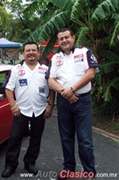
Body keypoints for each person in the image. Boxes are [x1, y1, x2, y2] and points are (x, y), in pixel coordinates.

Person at [48, 28, 99, 180]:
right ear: (58, 42)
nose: (64, 41)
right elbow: (51, 80)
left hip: (82, 101)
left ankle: (89, 171)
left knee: (85, 139)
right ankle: (68, 169)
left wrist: (71, 90)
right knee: (66, 137)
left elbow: (90, 74)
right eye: (61, 39)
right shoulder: (55, 58)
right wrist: (66, 93)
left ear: (73, 38)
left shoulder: (85, 52)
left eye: (66, 37)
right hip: (64, 102)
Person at [1, 41, 55, 178]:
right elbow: (8, 88)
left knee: (36, 138)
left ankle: (30, 163)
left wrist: (50, 105)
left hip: (40, 109)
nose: (31, 52)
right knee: (14, 138)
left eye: (33, 50)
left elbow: (52, 89)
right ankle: (10, 165)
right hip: (21, 111)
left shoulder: (45, 69)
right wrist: (13, 105)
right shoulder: (16, 69)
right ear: (23, 53)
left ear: (38, 53)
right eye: (28, 50)